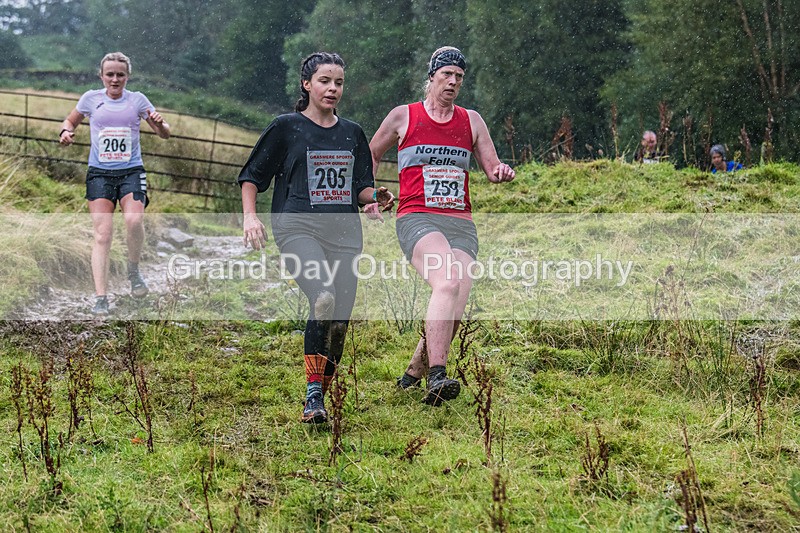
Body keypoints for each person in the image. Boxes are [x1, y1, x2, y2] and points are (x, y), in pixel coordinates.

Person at [239, 52, 394, 424]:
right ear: (307, 84)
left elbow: (359, 187)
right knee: (323, 298)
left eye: (339, 82)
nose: (333, 89)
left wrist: (376, 197)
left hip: (344, 233)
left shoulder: (352, 133)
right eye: (325, 81)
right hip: (296, 228)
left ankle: (319, 398)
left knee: (340, 321)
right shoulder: (286, 127)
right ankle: (312, 393)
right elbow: (252, 176)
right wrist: (249, 217)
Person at [370, 46, 515, 406]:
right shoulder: (404, 117)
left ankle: (412, 375)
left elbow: (491, 167)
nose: (453, 82)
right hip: (417, 217)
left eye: (459, 77)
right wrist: (370, 194)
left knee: (455, 303)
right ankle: (438, 374)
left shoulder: (472, 121)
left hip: (460, 223)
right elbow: (371, 152)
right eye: (446, 75)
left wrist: (501, 173)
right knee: (447, 280)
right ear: (431, 77)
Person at [59, 52, 170, 316]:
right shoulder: (90, 99)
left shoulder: (137, 100)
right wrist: (66, 131)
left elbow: (165, 133)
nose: (115, 79)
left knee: (133, 221)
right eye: (110, 74)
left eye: (120, 74)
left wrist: (159, 125)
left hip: (131, 172)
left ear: (127, 76)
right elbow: (70, 120)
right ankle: (101, 298)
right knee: (103, 234)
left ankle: (133, 270)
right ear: (102, 76)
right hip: (99, 173)